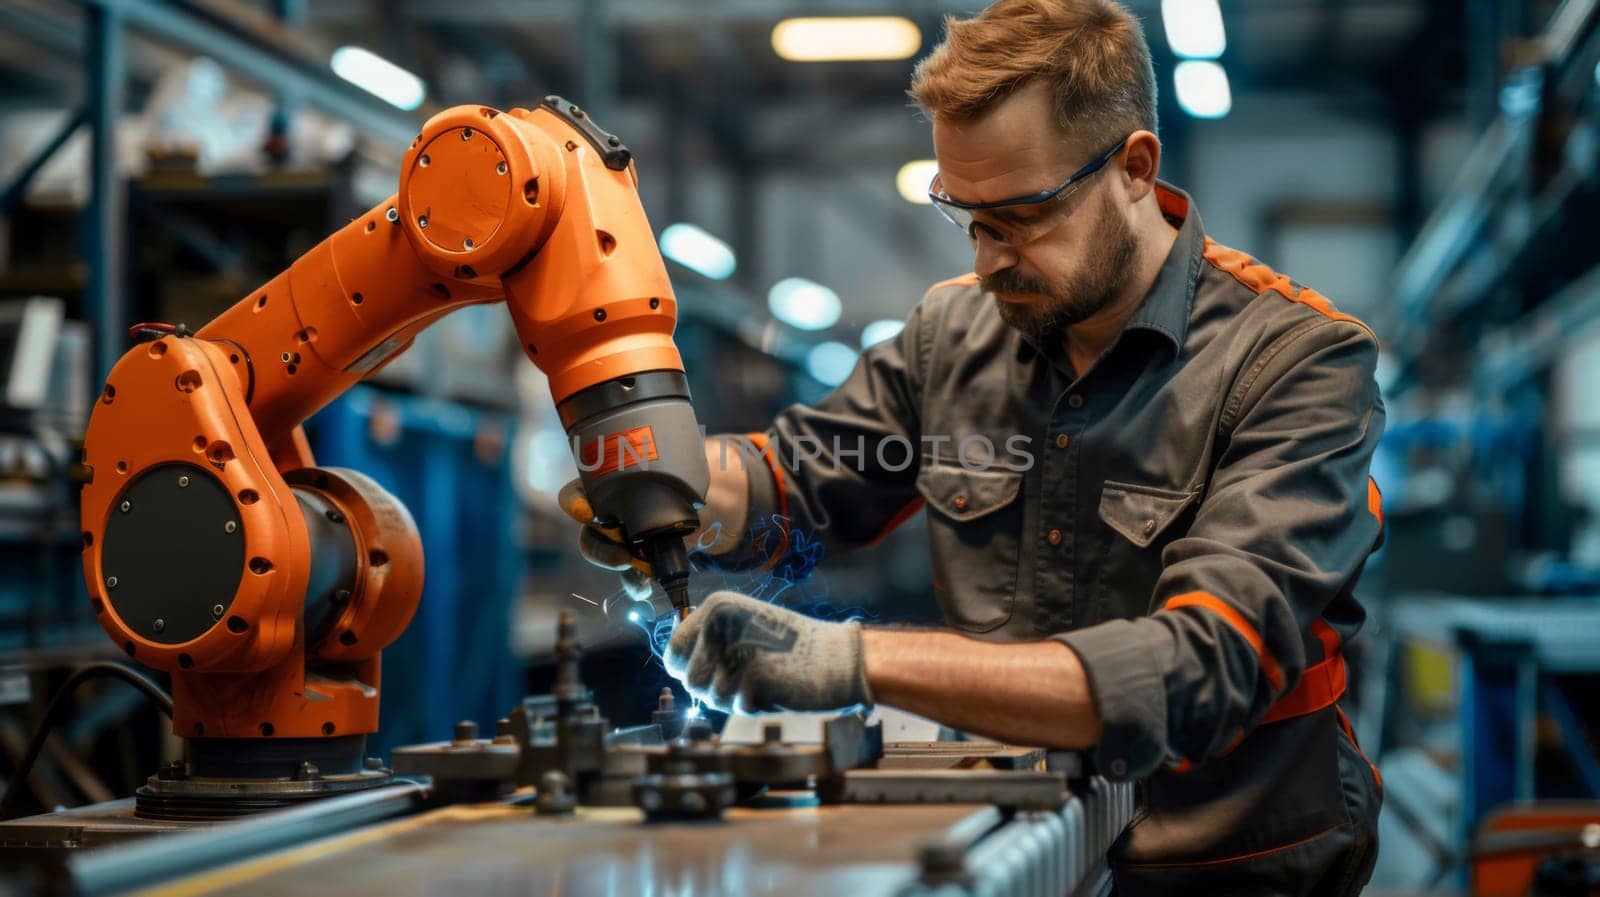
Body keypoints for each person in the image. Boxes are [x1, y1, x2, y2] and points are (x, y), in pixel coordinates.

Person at [564, 1, 1384, 892]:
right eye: (967, 218)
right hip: (1021, 836)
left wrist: (852, 662)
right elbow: (791, 476)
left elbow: (1203, 665)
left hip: (1226, 856)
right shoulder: (954, 333)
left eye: (1020, 218)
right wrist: (672, 479)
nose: (988, 260)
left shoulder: (1297, 361)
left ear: (1136, 168)